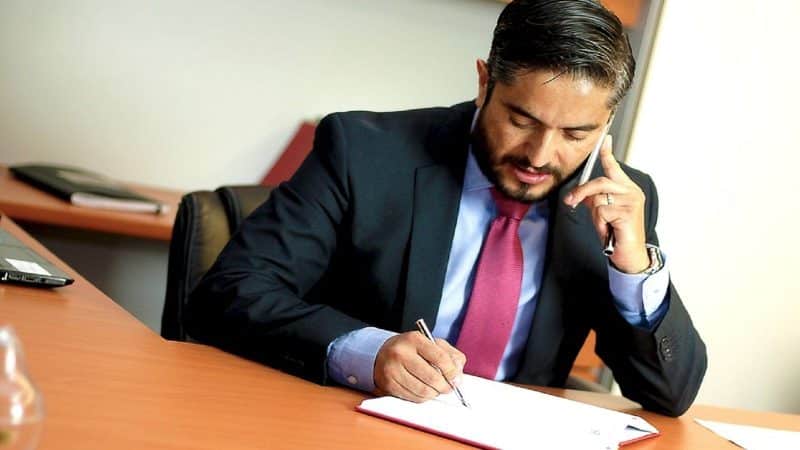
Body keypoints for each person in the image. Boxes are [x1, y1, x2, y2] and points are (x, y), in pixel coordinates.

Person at [184, 0, 706, 417]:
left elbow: (670, 395)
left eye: (576, 134)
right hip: (345, 422)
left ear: (607, 120)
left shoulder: (619, 201)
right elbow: (228, 294)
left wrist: (634, 268)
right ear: (484, 83)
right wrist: (365, 353)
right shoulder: (363, 152)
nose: (541, 157)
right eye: (522, 120)